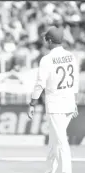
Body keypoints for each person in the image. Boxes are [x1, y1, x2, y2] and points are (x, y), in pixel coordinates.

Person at [28, 26, 79, 173]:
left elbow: (40, 84)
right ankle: (50, 170)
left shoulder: (46, 59)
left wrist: (32, 102)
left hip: (56, 105)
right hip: (69, 103)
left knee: (61, 142)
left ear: (50, 40)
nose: (44, 40)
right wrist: (74, 101)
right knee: (54, 142)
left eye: (46, 38)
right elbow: (75, 81)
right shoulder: (71, 55)